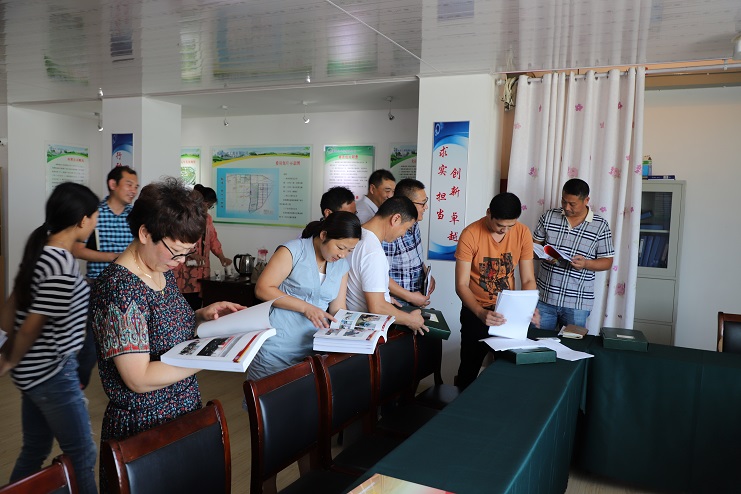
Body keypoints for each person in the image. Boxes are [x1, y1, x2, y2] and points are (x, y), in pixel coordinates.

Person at [88, 178, 242, 464]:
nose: (180, 261)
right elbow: (139, 378)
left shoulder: (160, 268)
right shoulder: (120, 289)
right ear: (145, 233)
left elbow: (160, 327)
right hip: (145, 427)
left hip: (181, 410)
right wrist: (213, 357)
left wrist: (200, 315)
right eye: (176, 251)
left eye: (187, 252)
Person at [0, 182, 101, 494]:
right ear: (82, 220)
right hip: (52, 375)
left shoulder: (43, 252)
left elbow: (12, 307)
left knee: (34, 449)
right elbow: (31, 326)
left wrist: (11, 357)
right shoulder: (60, 265)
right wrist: (8, 359)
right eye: (95, 216)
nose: (95, 223)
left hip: (34, 373)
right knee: (82, 453)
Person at [247, 211, 361, 380]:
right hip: (277, 346)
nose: (343, 255)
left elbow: (338, 308)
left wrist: (358, 329)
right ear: (324, 235)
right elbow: (263, 289)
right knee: (270, 394)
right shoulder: (292, 251)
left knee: (306, 396)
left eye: (349, 250)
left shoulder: (341, 266)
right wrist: (306, 308)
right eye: (340, 247)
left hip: (314, 349)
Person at [454, 192, 538, 390]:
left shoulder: (523, 232)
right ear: (489, 213)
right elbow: (461, 285)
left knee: (507, 371)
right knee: (468, 371)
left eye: (511, 226)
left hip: (507, 314)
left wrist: (527, 306)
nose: (505, 231)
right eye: (501, 225)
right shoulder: (470, 234)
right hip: (475, 312)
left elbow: (528, 279)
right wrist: (480, 312)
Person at [73, 165, 139, 389]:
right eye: (129, 184)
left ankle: (127, 384)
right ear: (113, 184)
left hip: (129, 287)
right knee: (93, 341)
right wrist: (113, 257)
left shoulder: (134, 216)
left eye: (136, 186)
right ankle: (77, 384)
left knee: (128, 340)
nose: (133, 190)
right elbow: (77, 249)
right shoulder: (95, 213)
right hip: (99, 286)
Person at [533, 178, 614, 330]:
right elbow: (532, 248)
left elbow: (607, 261)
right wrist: (544, 255)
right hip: (545, 298)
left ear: (586, 200)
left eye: (572, 204)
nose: (566, 207)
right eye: (563, 201)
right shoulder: (548, 216)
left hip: (578, 303)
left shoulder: (600, 225)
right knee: (537, 342)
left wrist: (586, 263)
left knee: (573, 343)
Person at [346, 196, 427, 334]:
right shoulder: (373, 252)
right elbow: (377, 308)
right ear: (396, 219)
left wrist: (385, 296)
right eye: (406, 229)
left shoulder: (357, 236)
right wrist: (411, 320)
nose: (403, 235)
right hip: (367, 331)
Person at [175, 184, 232, 310]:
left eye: (210, 206)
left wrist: (221, 257)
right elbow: (178, 241)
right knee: (184, 304)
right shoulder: (185, 217)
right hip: (185, 270)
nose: (207, 208)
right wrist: (191, 254)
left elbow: (213, 239)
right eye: (207, 205)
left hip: (202, 270)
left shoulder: (208, 219)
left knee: (198, 304)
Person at [383, 179, 435, 307]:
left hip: (415, 301)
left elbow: (414, 258)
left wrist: (426, 274)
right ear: (407, 204)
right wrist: (411, 297)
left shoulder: (415, 224)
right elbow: (381, 276)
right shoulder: (390, 233)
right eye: (422, 203)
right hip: (397, 305)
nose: (426, 207)